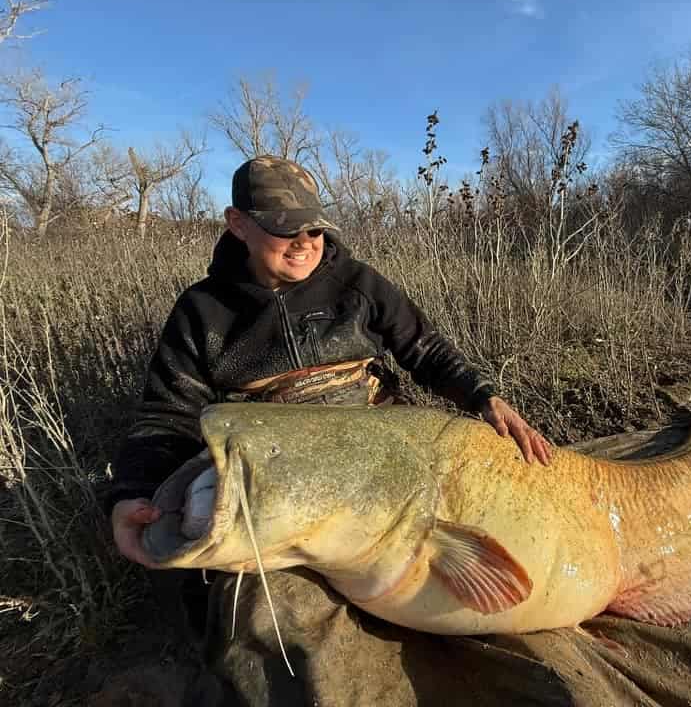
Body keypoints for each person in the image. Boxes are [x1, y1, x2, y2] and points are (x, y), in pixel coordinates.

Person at [105, 154, 552, 578]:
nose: (305, 243)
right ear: (238, 223)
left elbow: (425, 349)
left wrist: (483, 396)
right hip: (285, 472)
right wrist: (130, 494)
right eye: (285, 229)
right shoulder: (202, 309)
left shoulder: (357, 283)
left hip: (384, 447)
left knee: (490, 532)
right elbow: (167, 416)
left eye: (315, 229)